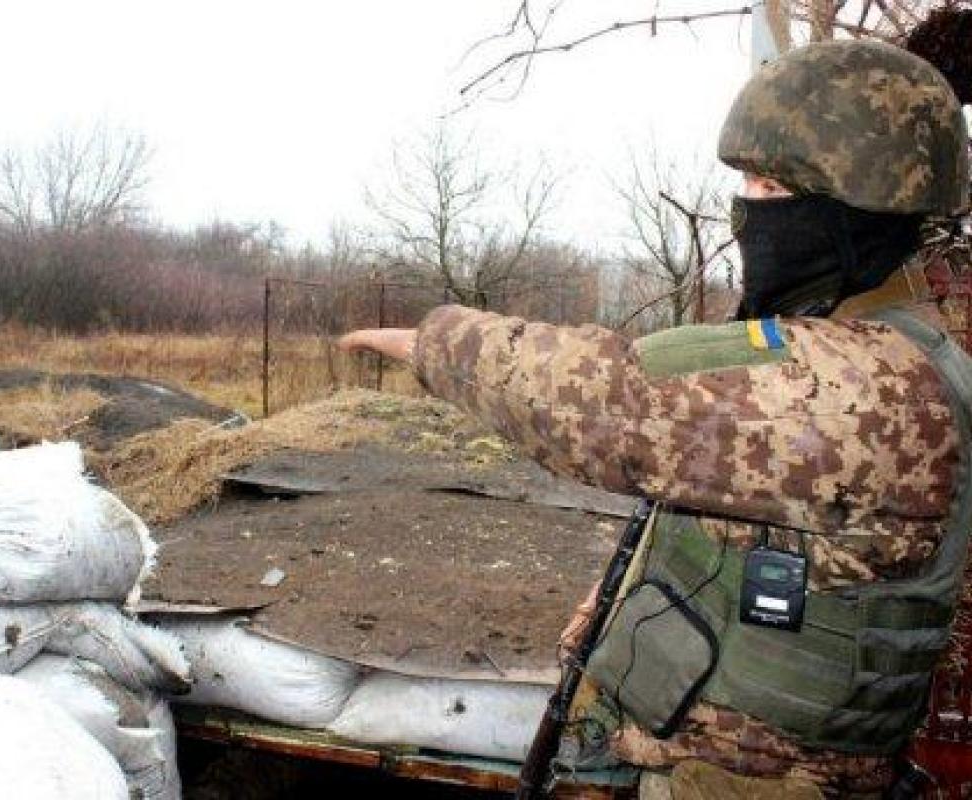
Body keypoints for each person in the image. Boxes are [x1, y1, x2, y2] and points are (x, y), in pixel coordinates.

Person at [340, 39, 970, 796]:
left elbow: (616, 407)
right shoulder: (882, 345)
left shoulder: (877, 384)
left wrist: (435, 344)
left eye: (769, 191)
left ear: (853, 211)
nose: (747, 214)